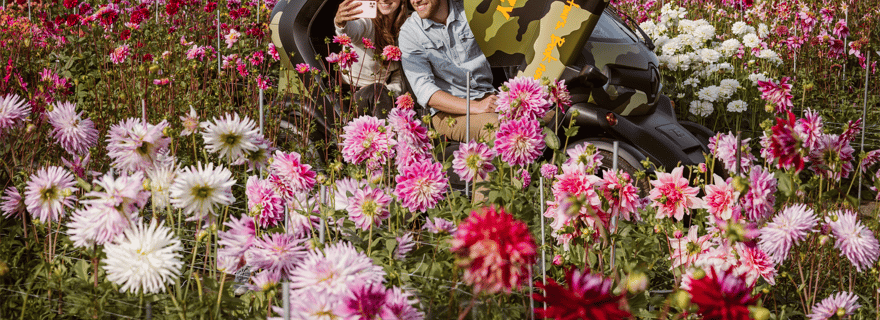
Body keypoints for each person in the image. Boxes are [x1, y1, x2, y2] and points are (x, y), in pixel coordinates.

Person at [397, 0, 500, 142]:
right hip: (448, 114)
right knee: (496, 127)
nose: (415, 1)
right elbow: (425, 91)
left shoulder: (471, 11)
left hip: (490, 98)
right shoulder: (411, 32)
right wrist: (476, 106)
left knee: (532, 117)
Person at [334, 0, 408, 115]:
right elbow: (352, 31)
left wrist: (389, 91)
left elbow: (400, 72)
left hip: (382, 95)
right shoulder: (367, 22)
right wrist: (341, 24)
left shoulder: (407, 26)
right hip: (351, 94)